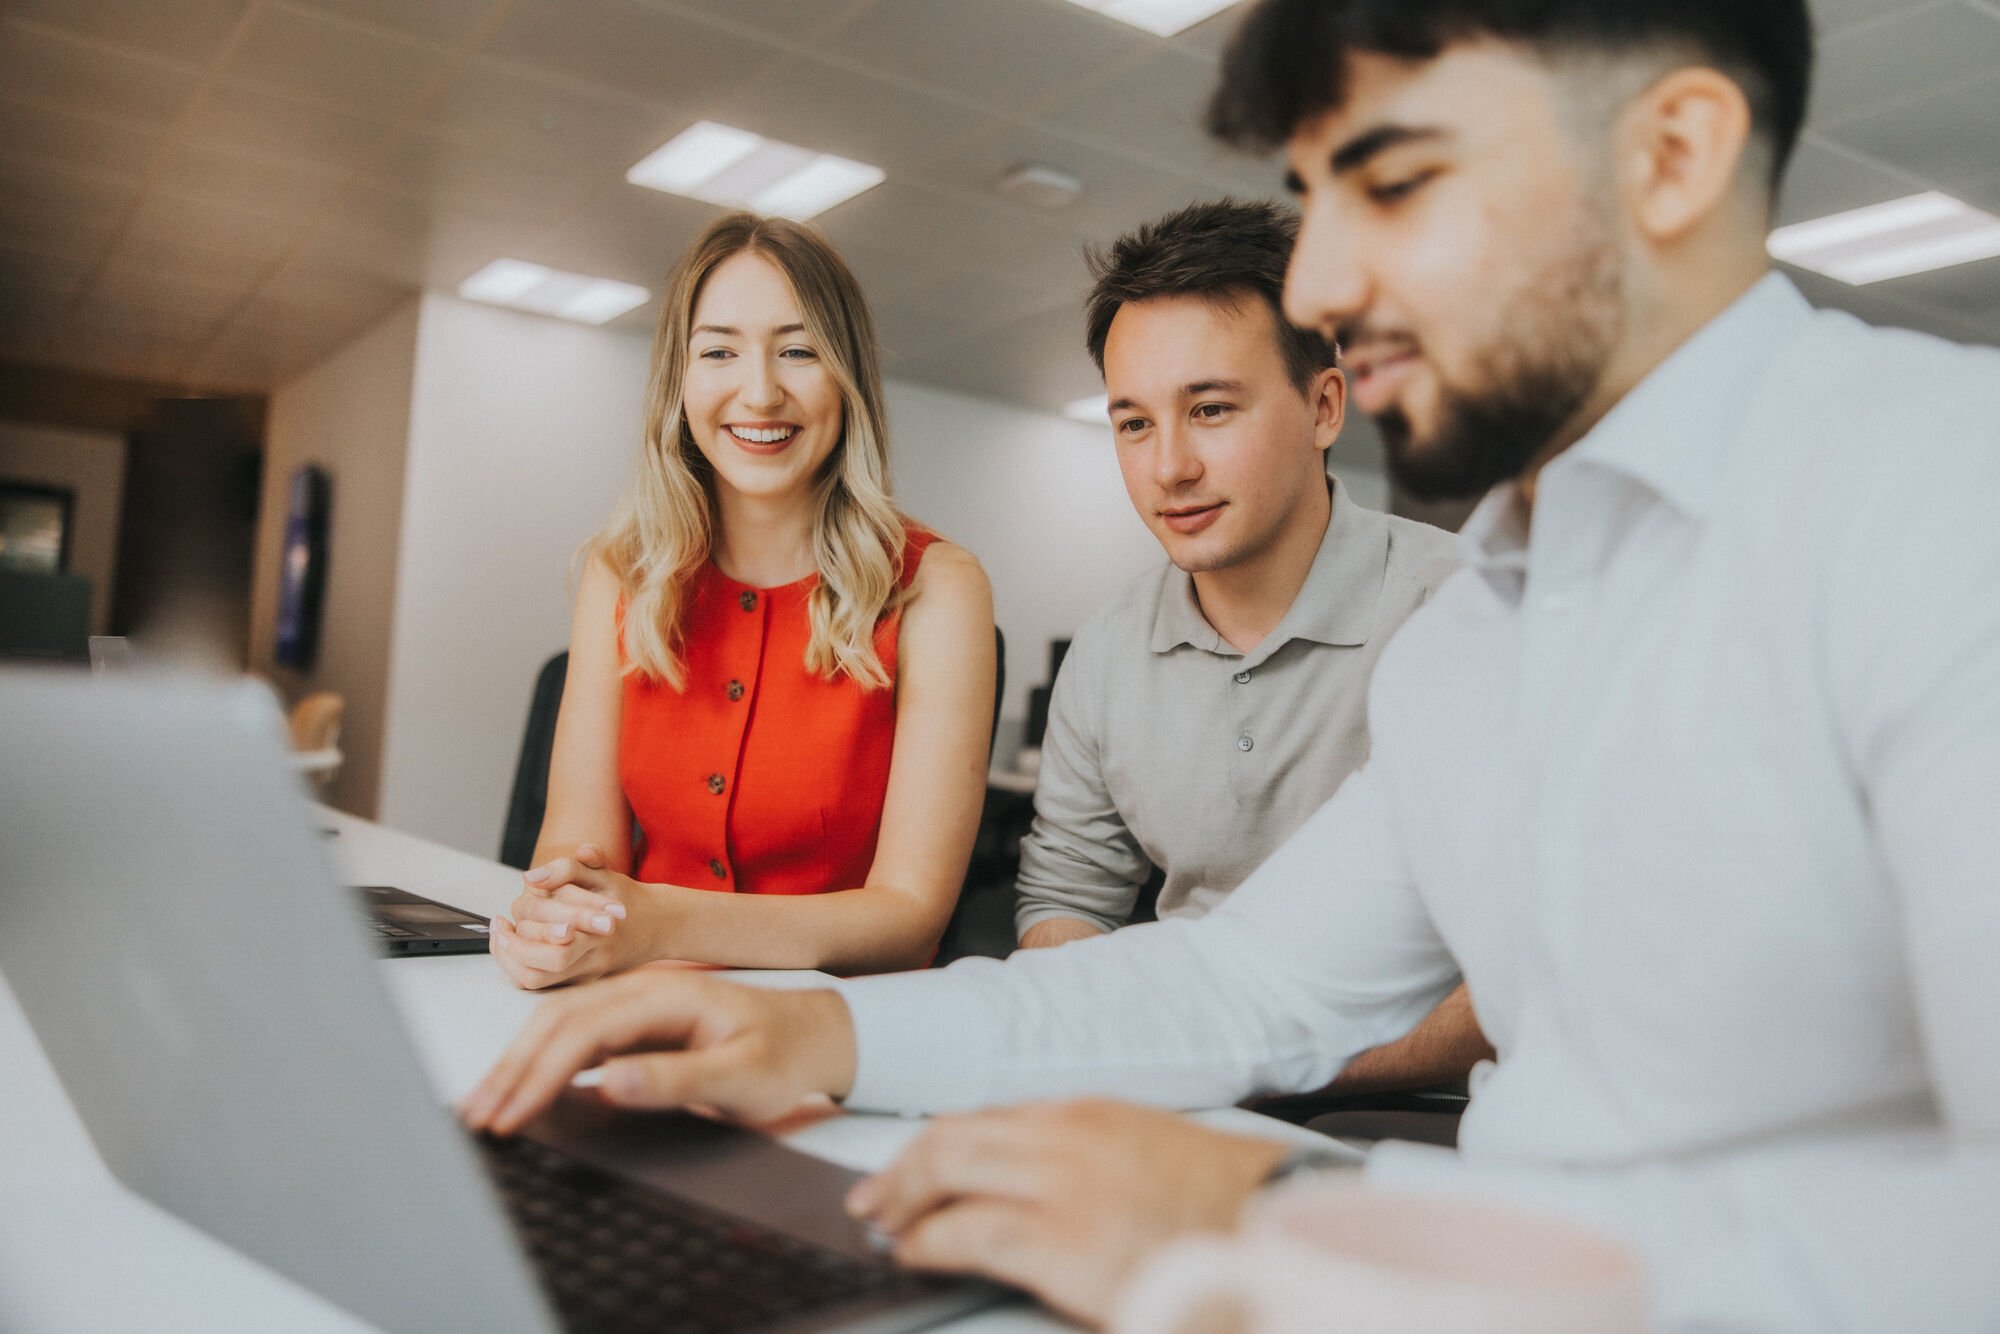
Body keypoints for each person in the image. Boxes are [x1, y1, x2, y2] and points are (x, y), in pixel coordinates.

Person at [464, 2, 2000, 1328]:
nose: (1321, 280)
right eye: (1313, 197)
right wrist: (825, 1027)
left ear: (1670, 154)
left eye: (1391, 183)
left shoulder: (1944, 499)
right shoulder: (1491, 630)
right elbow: (1248, 974)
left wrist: (1275, 1212)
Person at [1017, 199, 1485, 1095]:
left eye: (1212, 409)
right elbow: (1068, 897)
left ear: (1324, 406)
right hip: (1192, 1084)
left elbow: (1534, 960)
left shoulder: (1470, 613)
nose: (1169, 468)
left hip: (1418, 1106)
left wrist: (1272, 1066)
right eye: (1135, 423)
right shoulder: (1110, 652)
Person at [490, 211, 995, 986]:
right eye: (719, 351)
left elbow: (907, 917)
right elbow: (574, 842)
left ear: (847, 375)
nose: (759, 393)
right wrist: (556, 917)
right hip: (645, 999)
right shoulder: (619, 573)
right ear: (679, 379)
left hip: (841, 1033)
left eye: (798, 351)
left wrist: (659, 923)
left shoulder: (937, 589)